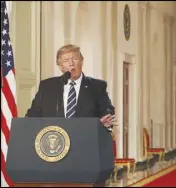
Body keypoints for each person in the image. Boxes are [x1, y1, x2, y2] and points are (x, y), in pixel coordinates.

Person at [25, 44, 115, 186]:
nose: (71, 63)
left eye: (75, 59)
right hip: (54, 153)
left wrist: (103, 121)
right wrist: (27, 126)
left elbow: (107, 109)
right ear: (60, 66)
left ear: (82, 60)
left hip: (85, 152)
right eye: (66, 60)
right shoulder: (48, 86)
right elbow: (34, 112)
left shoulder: (97, 86)